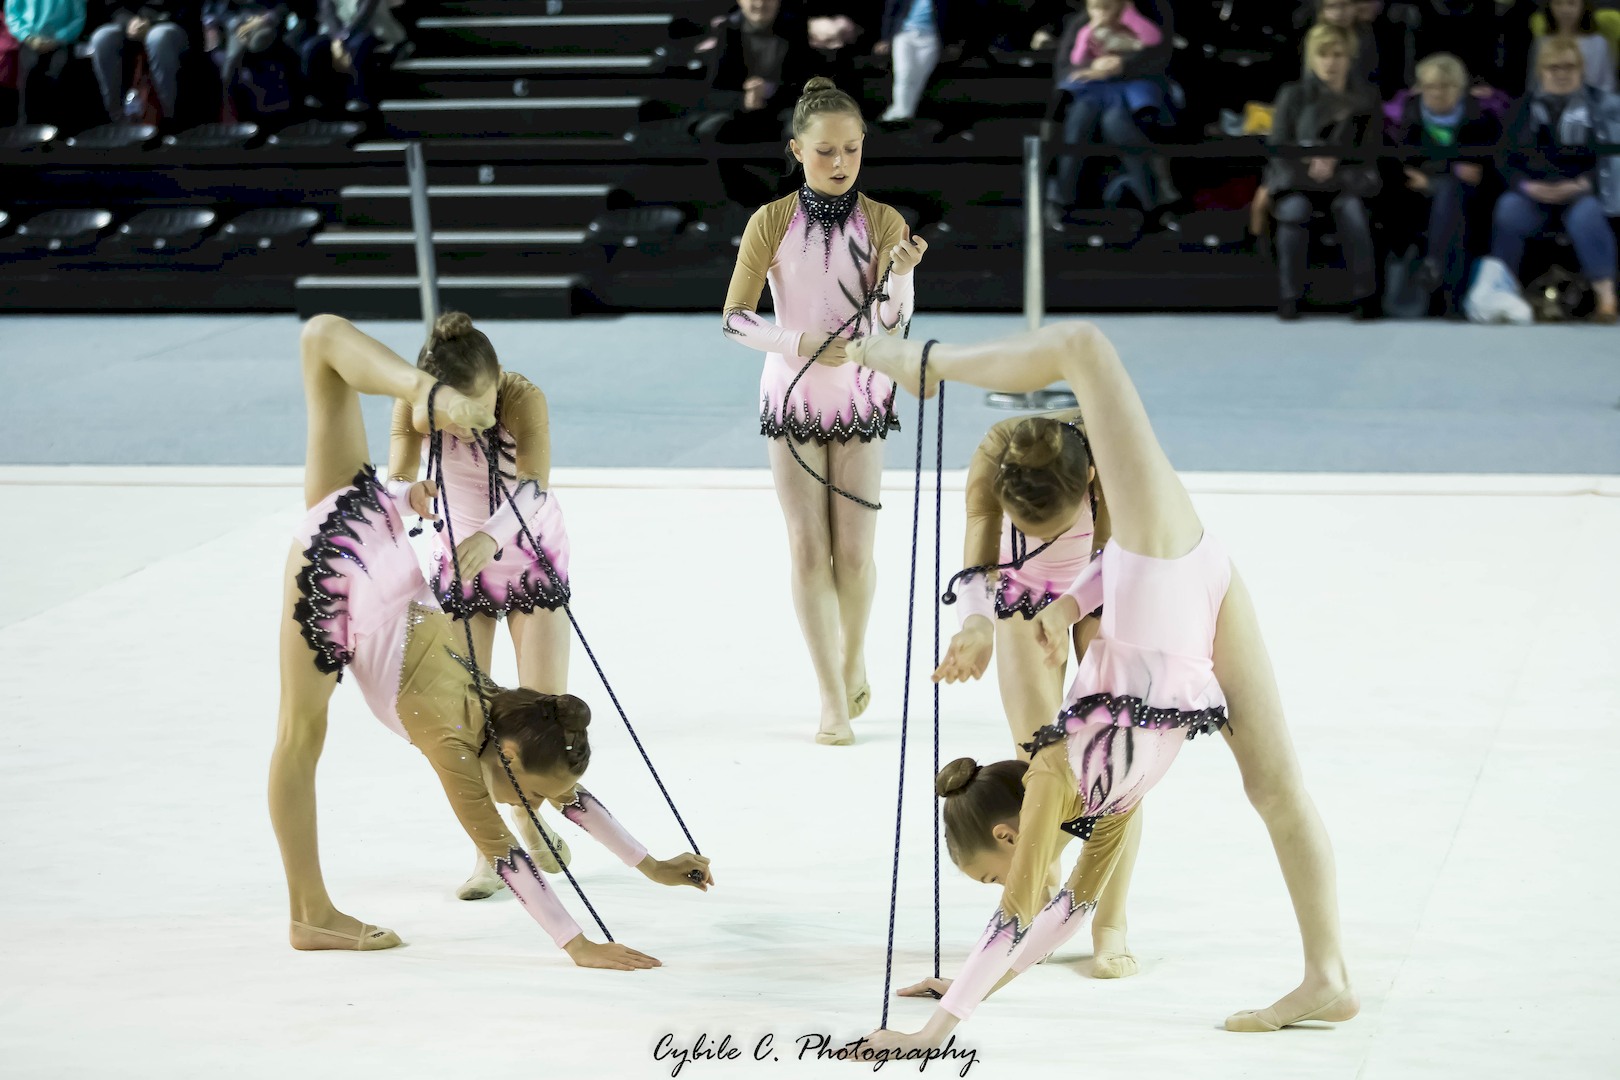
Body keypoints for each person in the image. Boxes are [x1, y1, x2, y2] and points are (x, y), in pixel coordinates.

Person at [844, 321, 1356, 1048]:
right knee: (1276, 790)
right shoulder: (1106, 808)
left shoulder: (1058, 780)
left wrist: (936, 1027)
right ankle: (1328, 976)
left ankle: (924, 363)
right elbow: (1060, 917)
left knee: (1085, 351)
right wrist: (967, 990)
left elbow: (1019, 915)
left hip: (1154, 579)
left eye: (993, 871)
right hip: (1187, 579)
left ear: (1011, 827)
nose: (1010, 877)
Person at [272, 313, 712, 961]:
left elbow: (551, 799)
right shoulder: (476, 734)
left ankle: (309, 913)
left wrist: (654, 868)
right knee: (320, 337)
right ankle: (310, 916)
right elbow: (509, 851)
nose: (537, 803)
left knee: (322, 341)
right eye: (534, 796)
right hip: (354, 559)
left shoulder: (480, 729)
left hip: (357, 560)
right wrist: (581, 943)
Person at [721, 76, 926, 745]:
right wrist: (797, 341)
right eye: (825, 152)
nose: (840, 164)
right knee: (810, 549)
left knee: (856, 552)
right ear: (796, 151)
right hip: (793, 395)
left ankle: (852, 655)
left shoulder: (884, 221)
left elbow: (891, 321)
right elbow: (735, 318)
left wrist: (902, 272)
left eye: (852, 150)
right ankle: (831, 697)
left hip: (861, 394)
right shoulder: (771, 220)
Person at [932, 411, 1142, 978]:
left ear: (1089, 480)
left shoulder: (1109, 456)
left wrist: (1070, 610)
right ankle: (1040, 898)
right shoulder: (994, 456)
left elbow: (1117, 555)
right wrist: (976, 624)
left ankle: (1110, 922)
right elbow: (980, 550)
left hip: (1104, 583)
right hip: (1022, 592)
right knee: (1040, 760)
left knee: (1118, 765)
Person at [387, 312, 579, 900]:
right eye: (458, 414)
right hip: (459, 566)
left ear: (498, 381)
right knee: (465, 716)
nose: (475, 424)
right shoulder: (413, 405)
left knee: (538, 718)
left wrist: (491, 538)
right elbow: (391, 483)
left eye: (483, 405)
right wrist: (413, 495)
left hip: (527, 558)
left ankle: (527, 814)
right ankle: (488, 853)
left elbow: (534, 486)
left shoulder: (522, 398)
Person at [1491, 34, 1619, 323]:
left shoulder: (1602, 107)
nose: (1561, 74)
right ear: (1541, 71)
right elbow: (1503, 160)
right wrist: (1526, 185)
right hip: (1533, 195)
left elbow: (1611, 158)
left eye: (1569, 67)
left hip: (1581, 193)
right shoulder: (1521, 109)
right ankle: (1503, 295)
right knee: (1508, 209)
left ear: (1581, 70)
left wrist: (1584, 183)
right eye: (1553, 67)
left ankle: (1607, 300)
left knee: (1587, 215)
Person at [1267, 21, 1382, 319]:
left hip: (1345, 179)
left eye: (1338, 55)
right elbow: (1278, 146)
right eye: (1323, 55)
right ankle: (1289, 297)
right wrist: (1310, 158)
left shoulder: (1367, 98)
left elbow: (1371, 150)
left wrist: (1334, 160)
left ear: (1350, 58)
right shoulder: (1293, 94)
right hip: (1299, 180)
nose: (1330, 63)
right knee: (1293, 211)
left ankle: (1364, 296)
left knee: (1352, 211)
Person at [1386, 52, 1501, 313]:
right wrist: (1449, 169)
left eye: (1445, 87)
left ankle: (1435, 266)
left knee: (1451, 193)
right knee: (1447, 191)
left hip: (1471, 197)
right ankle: (1441, 280)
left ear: (1460, 89)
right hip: (1413, 196)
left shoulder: (1481, 118)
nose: (1437, 93)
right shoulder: (1407, 117)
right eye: (1430, 87)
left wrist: (1436, 173)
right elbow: (1399, 163)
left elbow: (1487, 168)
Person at [1046, 0, 1174, 220]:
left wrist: (1122, 66)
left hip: (1135, 91)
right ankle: (1063, 200)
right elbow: (1066, 66)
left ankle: (1152, 204)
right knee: (1079, 118)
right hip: (1092, 90)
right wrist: (1092, 69)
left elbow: (1160, 57)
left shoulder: (1151, 15)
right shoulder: (1083, 22)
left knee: (1117, 123)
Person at [88, 0, 201, 123]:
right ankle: (118, 118)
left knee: (158, 38)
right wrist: (129, 22)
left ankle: (168, 119)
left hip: (171, 21)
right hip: (128, 21)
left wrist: (151, 22)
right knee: (102, 38)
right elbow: (112, 5)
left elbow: (187, 8)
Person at [5, 0, 85, 124]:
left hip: (62, 42)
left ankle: (59, 127)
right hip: (30, 41)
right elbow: (12, 15)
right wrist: (28, 37)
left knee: (58, 72)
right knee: (29, 75)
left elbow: (79, 18)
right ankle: (27, 126)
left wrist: (58, 39)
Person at [1528, 0, 1618, 93]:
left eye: (1572, 3)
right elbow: (1534, 83)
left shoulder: (1598, 43)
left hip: (1591, 99)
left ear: (1583, 6)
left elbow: (1607, 83)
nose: (1565, 10)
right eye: (1558, 4)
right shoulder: (1542, 42)